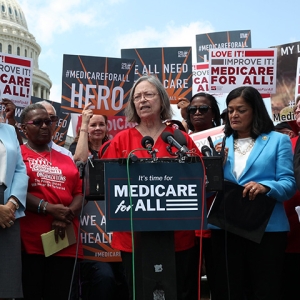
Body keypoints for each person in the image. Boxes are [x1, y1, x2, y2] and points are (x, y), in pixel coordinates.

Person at [101, 75, 202, 300]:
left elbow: (200, 178)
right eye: (137, 97)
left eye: (148, 94)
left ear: (162, 100)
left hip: (178, 237)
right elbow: (107, 184)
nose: (142, 100)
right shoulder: (120, 140)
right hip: (134, 239)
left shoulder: (180, 139)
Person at [209, 86, 296, 300]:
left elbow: (289, 184)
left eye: (241, 110)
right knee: (230, 290)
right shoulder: (219, 145)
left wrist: (267, 187)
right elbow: (209, 188)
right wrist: (214, 170)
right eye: (230, 110)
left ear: (255, 111)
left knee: (265, 290)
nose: (234, 115)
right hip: (226, 228)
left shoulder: (278, 141)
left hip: (266, 230)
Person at [19, 103, 83, 300]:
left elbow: (80, 193)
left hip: (64, 241)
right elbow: (14, 191)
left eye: (48, 121)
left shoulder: (65, 156)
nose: (45, 126)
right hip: (30, 243)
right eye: (37, 122)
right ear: (24, 129)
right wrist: (47, 208)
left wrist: (65, 215)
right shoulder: (18, 154)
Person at [70, 103, 128, 300]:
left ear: (106, 128)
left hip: (115, 231)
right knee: (103, 279)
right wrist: (84, 122)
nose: (97, 128)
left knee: (124, 280)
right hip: (89, 236)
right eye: (92, 125)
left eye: (101, 125)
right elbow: (79, 160)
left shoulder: (113, 148)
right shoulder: (75, 147)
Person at [186, 92, 221, 299]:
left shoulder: (227, 139)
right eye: (192, 109)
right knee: (189, 280)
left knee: (219, 279)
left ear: (213, 113)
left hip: (219, 220)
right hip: (191, 222)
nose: (197, 112)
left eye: (203, 109)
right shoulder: (179, 140)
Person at [0, 121, 28, 299]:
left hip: (8, 208)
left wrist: (13, 202)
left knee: (7, 283)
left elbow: (20, 169)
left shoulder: (9, 130)